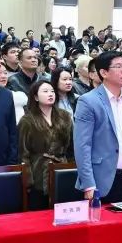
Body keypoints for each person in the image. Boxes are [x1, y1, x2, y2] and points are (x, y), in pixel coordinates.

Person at [73, 51, 122, 202]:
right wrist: (88, 184)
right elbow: (82, 146)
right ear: (104, 73)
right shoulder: (88, 101)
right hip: (101, 181)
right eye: (118, 67)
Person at [19, 80, 74, 210]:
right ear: (36, 97)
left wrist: (71, 169)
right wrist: (28, 180)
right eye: (45, 91)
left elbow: (71, 148)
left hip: (61, 168)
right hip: (38, 171)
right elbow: (23, 153)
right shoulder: (27, 120)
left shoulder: (65, 116)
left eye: (52, 91)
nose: (50, 94)